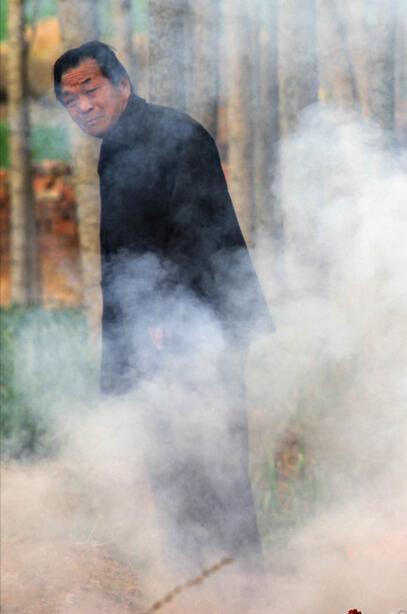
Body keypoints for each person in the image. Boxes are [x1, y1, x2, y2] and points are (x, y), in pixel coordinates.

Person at [53, 42, 271, 579]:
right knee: (172, 468)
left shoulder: (174, 135)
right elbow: (126, 254)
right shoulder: (119, 145)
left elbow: (200, 235)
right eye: (68, 99)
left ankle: (242, 593)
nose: (81, 106)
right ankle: (196, 591)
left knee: (212, 461)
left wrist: (165, 319)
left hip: (195, 330)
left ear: (122, 84)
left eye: (89, 89)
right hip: (161, 333)